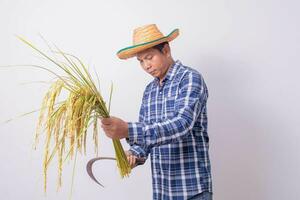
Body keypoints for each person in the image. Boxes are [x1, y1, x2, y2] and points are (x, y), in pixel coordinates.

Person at [101, 24, 213, 200]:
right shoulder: (149, 91)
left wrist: (128, 130)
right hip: (162, 191)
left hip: (192, 190)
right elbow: (147, 136)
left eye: (149, 57)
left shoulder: (190, 78)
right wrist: (134, 154)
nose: (146, 65)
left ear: (166, 50)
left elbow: (182, 125)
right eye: (141, 61)